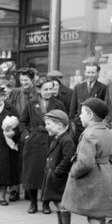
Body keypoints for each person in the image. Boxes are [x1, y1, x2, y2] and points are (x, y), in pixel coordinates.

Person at [61, 98, 112, 224]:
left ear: (90, 115)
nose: (80, 116)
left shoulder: (90, 134)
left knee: (93, 217)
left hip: (92, 180)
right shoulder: (106, 131)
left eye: (82, 113)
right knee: (99, 215)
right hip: (105, 175)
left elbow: (85, 163)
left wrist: (73, 172)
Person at [19, 78, 66, 214]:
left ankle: (46, 203)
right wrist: (26, 136)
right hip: (34, 141)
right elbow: (22, 122)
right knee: (32, 173)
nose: (49, 92)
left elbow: (65, 123)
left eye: (51, 89)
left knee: (48, 172)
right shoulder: (31, 103)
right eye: (45, 89)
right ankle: (33, 203)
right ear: (39, 90)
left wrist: (60, 138)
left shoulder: (58, 104)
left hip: (52, 141)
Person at [41, 110, 76, 224]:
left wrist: (57, 172)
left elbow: (68, 159)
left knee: (62, 204)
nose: (46, 127)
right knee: (56, 202)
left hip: (60, 178)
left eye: (48, 124)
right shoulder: (58, 139)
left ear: (60, 125)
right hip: (54, 177)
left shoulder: (66, 140)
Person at [7, 67, 38, 201]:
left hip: (32, 129)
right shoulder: (15, 92)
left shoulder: (37, 92)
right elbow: (8, 107)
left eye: (26, 80)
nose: (23, 82)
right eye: (21, 80)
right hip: (16, 129)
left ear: (32, 80)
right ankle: (14, 189)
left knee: (29, 161)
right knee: (14, 160)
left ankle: (28, 189)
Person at [69, 63, 107, 142]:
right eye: (88, 72)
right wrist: (74, 121)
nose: (90, 75)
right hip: (79, 125)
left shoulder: (103, 88)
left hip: (95, 126)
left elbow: (104, 108)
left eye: (93, 72)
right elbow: (72, 107)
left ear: (98, 73)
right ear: (84, 72)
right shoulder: (78, 87)